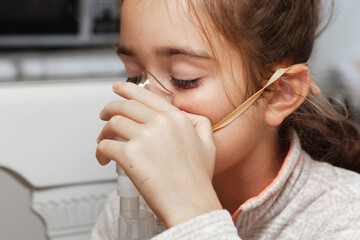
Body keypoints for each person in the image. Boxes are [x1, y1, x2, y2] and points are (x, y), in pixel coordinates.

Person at [92, 0, 360, 239]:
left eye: (185, 79)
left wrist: (191, 212)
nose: (146, 103)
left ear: (279, 93)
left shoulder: (345, 219)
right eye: (134, 74)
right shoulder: (134, 200)